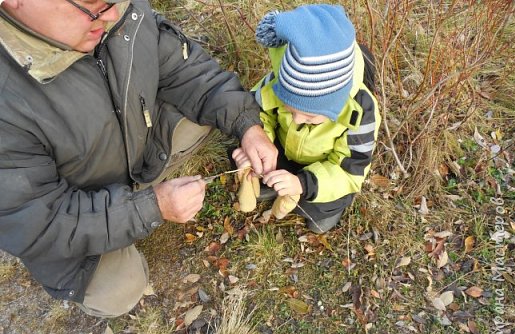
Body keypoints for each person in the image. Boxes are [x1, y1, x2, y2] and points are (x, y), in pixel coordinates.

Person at [0, 0, 277, 317]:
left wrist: (248, 126)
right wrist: (152, 206)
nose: (114, 15)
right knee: (118, 290)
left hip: (134, 152)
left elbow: (186, 70)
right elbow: (41, 223)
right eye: (93, 5)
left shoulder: (119, 12)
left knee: (207, 114)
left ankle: (137, 186)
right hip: (74, 211)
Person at [232, 4, 381, 233]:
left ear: (335, 105)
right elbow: (257, 114)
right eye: (289, 111)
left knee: (318, 206)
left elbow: (349, 173)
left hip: (327, 171)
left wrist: (302, 183)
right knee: (250, 154)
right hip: (284, 151)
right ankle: (272, 182)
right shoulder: (279, 82)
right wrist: (258, 141)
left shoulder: (361, 112)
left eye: (310, 116)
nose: (298, 120)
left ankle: (312, 205)